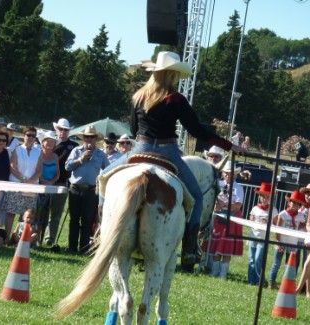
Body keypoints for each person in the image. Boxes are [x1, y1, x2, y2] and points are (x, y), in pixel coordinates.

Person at [101, 51, 245, 265]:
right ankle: (189, 246)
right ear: (172, 74)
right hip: (167, 152)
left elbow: (133, 128)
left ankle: (101, 230)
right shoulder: (176, 99)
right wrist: (229, 145)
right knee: (195, 197)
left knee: (103, 178)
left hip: (140, 148)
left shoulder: (138, 96)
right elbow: (197, 130)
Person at [65, 125, 109, 254]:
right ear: (83, 138)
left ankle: (83, 249)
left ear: (95, 139)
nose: (89, 139)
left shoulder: (101, 154)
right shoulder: (76, 151)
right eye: (87, 137)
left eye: (92, 137)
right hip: (75, 189)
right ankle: (71, 247)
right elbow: (67, 167)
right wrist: (80, 159)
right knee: (74, 219)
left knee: (87, 220)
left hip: (91, 190)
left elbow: (108, 169)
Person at [203, 161, 244, 279]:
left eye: (231, 174)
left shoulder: (238, 188)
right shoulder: (218, 184)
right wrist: (218, 204)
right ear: (223, 173)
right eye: (226, 173)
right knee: (216, 244)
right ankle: (214, 271)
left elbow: (238, 205)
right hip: (218, 216)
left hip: (232, 218)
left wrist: (224, 204)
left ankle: (223, 274)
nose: (228, 176)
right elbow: (212, 198)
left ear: (235, 174)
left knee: (227, 246)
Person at [2, 126, 42, 242]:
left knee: (26, 215)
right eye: (28, 135)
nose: (30, 137)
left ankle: (19, 239)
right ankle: (6, 238)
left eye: (33, 136)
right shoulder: (17, 149)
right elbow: (13, 167)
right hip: (16, 184)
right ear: (23, 135)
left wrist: (31, 181)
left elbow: (39, 170)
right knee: (11, 213)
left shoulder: (39, 152)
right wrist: (24, 179)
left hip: (32, 187)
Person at [43, 118, 78, 247]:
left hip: (62, 183)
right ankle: (38, 238)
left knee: (56, 214)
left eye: (66, 130)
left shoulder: (74, 146)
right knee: (43, 212)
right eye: (60, 129)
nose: (63, 132)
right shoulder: (49, 143)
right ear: (56, 129)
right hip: (45, 182)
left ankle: (49, 238)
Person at [268, 190, 306, 289]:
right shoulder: (283, 214)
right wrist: (279, 242)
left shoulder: (300, 216)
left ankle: (285, 285)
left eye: (298, 204)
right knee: (276, 263)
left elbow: (303, 226)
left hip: (293, 243)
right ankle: (271, 282)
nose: (295, 205)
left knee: (289, 265)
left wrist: (304, 226)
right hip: (281, 241)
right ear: (289, 203)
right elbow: (277, 229)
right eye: (293, 202)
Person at [247, 182, 278, 285]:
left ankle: (260, 280)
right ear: (259, 197)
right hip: (253, 236)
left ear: (271, 198)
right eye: (263, 196)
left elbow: (276, 224)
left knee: (258, 259)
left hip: (264, 238)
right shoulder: (255, 209)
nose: (265, 199)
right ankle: (251, 280)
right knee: (251, 259)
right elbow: (250, 221)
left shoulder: (273, 210)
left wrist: (269, 224)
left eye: (267, 197)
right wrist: (255, 223)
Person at [36, 131, 60, 244]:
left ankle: (40, 239)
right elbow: (36, 171)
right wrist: (44, 181)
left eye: (52, 141)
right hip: (38, 187)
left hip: (50, 188)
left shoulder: (55, 156)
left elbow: (57, 174)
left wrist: (51, 182)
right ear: (42, 142)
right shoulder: (38, 153)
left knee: (45, 216)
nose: (50, 143)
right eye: (47, 141)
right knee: (36, 213)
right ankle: (33, 237)